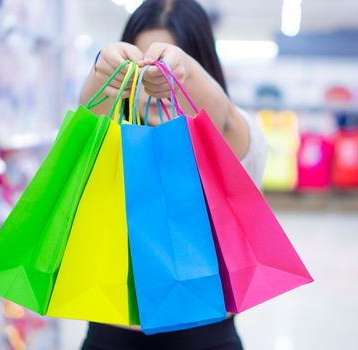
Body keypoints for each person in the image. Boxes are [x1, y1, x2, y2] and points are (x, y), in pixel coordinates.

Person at [79, 0, 267, 349]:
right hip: (110, 336)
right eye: (143, 64)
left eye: (164, 66)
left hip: (205, 338)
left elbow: (220, 118)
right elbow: (87, 111)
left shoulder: (235, 132)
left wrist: (186, 73)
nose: (153, 79)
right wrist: (101, 70)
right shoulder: (112, 133)